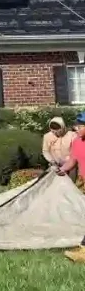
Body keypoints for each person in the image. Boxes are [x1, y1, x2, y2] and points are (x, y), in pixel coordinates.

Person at [56, 112, 85, 263]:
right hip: (83, 181)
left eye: (80, 126)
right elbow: (73, 160)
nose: (76, 129)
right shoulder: (77, 142)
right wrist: (63, 169)